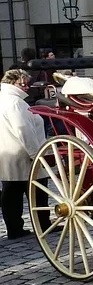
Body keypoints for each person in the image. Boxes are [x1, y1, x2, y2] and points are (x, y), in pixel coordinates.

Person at [0, 69, 47, 239]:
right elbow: (24, 130)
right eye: (23, 83)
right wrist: (36, 154)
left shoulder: (5, 99)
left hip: (8, 153)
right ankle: (43, 224)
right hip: (23, 154)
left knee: (11, 193)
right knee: (38, 189)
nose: (26, 87)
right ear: (13, 83)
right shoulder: (15, 103)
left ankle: (14, 228)